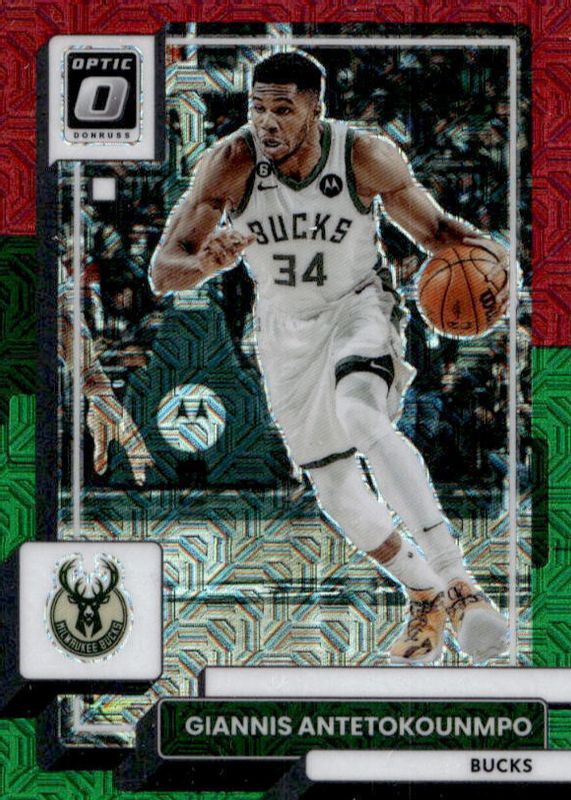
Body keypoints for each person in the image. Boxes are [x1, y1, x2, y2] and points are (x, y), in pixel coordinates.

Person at [150, 51, 510, 664]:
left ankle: (459, 585)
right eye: (257, 108)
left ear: (316, 108)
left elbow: (438, 234)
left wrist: (502, 265)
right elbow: (164, 270)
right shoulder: (232, 161)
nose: (267, 122)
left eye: (282, 109)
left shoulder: (363, 155)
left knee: (360, 414)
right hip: (284, 333)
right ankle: (423, 592)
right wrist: (205, 263)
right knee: (337, 492)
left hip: (358, 307)